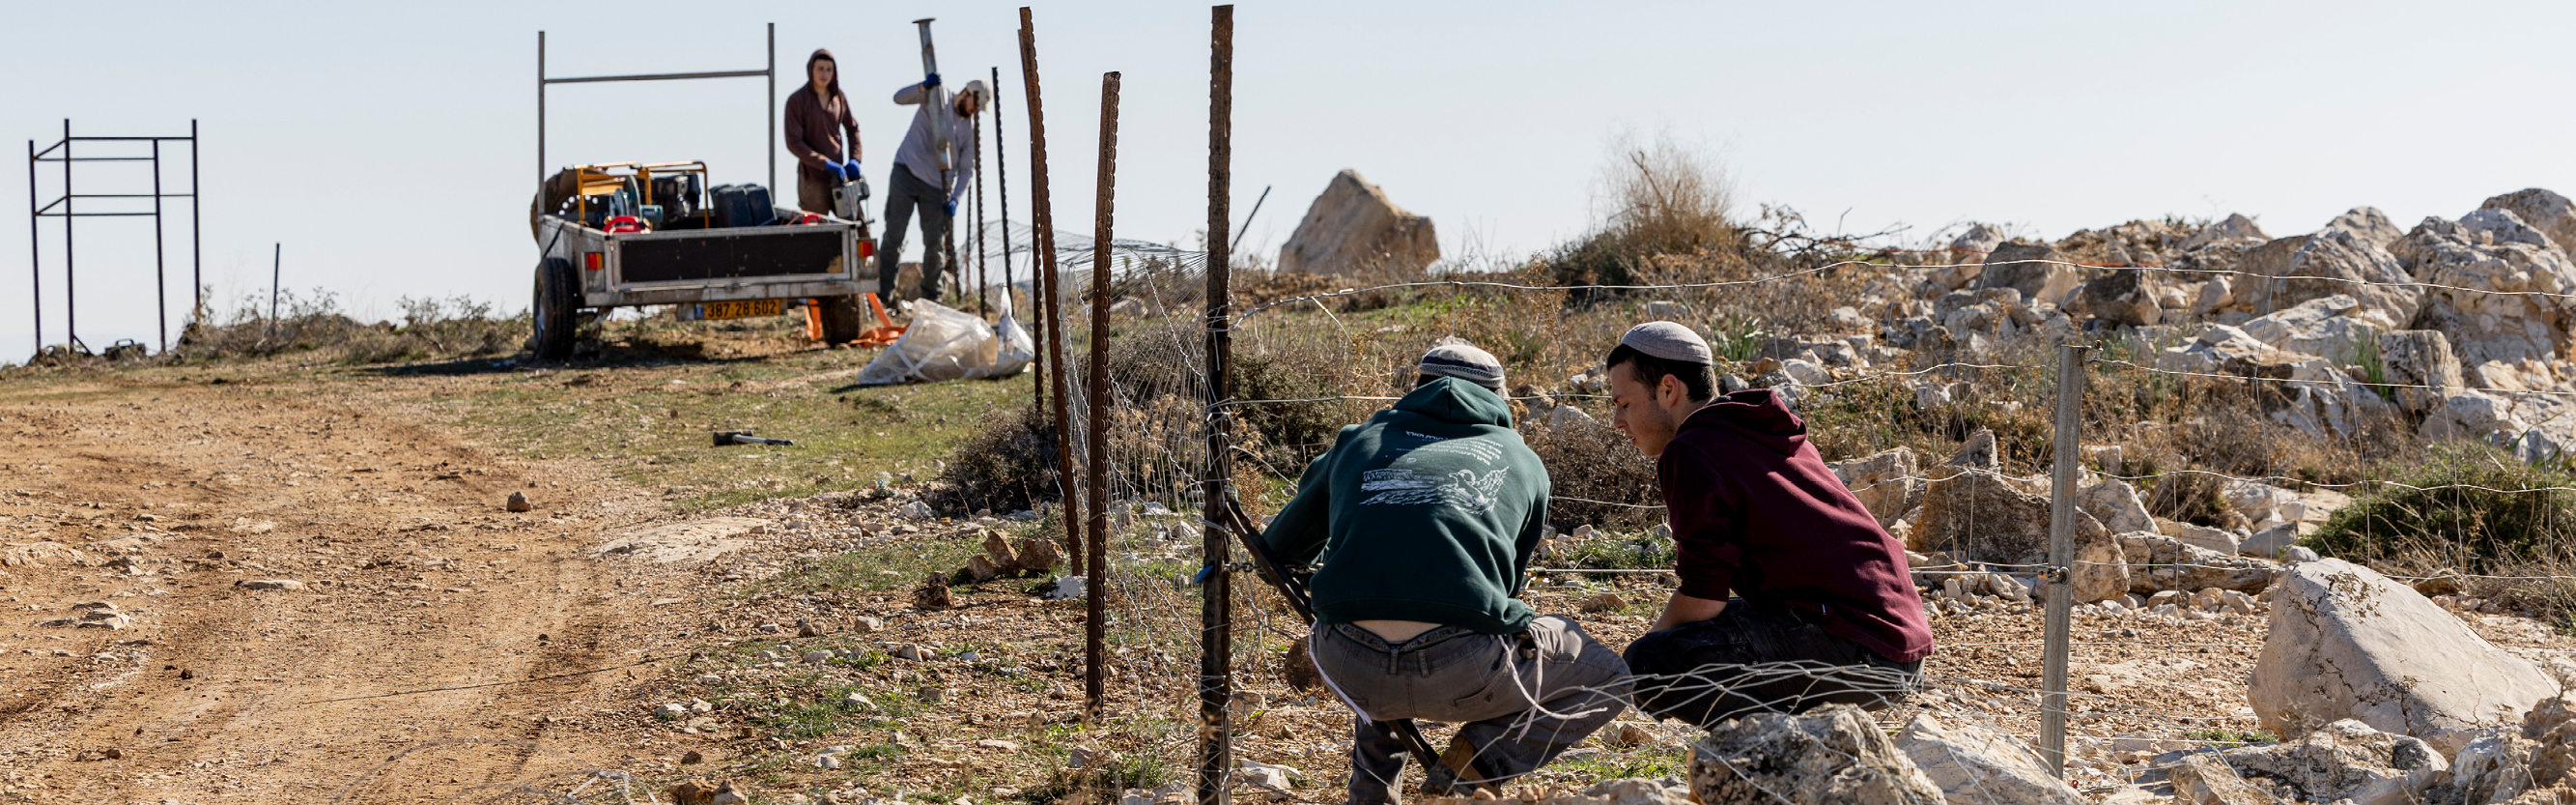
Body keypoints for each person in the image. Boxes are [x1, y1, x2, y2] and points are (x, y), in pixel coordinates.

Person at [1263, 341, 1628, 804]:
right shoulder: (1523, 461)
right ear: (1499, 399)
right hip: (1466, 667)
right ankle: (1480, 760)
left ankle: (1370, 796)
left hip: (1347, 664)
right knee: (1612, 676)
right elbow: (1502, 586)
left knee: (1376, 617)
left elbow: (1276, 553)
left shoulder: (1358, 440)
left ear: (1416, 390)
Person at [1604, 322, 1933, 728]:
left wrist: (1630, 663)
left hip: (1858, 648)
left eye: (1623, 403)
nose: (1617, 421)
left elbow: (1704, 597)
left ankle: (1777, 753)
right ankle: (1810, 737)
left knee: (1653, 663)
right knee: (1711, 632)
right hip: (1896, 646)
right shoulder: (1752, 428)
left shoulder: (1691, 450)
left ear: (1668, 389)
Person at [879, 73, 984, 303]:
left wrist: (955, 198)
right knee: (894, 235)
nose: (975, 110)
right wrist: (921, 87)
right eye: (975, 104)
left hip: (937, 186)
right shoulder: (938, 96)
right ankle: (883, 296)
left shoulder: (969, 129)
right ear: (966, 93)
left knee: (935, 244)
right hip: (906, 170)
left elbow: (967, 169)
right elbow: (898, 98)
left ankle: (931, 299)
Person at [784, 49, 863, 216]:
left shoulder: (839, 98)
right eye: (820, 68)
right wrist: (824, 163)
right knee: (818, 234)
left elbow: (852, 129)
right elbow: (794, 142)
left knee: (858, 230)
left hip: (841, 179)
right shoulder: (797, 101)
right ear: (811, 69)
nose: (824, 74)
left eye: (829, 69)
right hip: (813, 180)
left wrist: (855, 159)